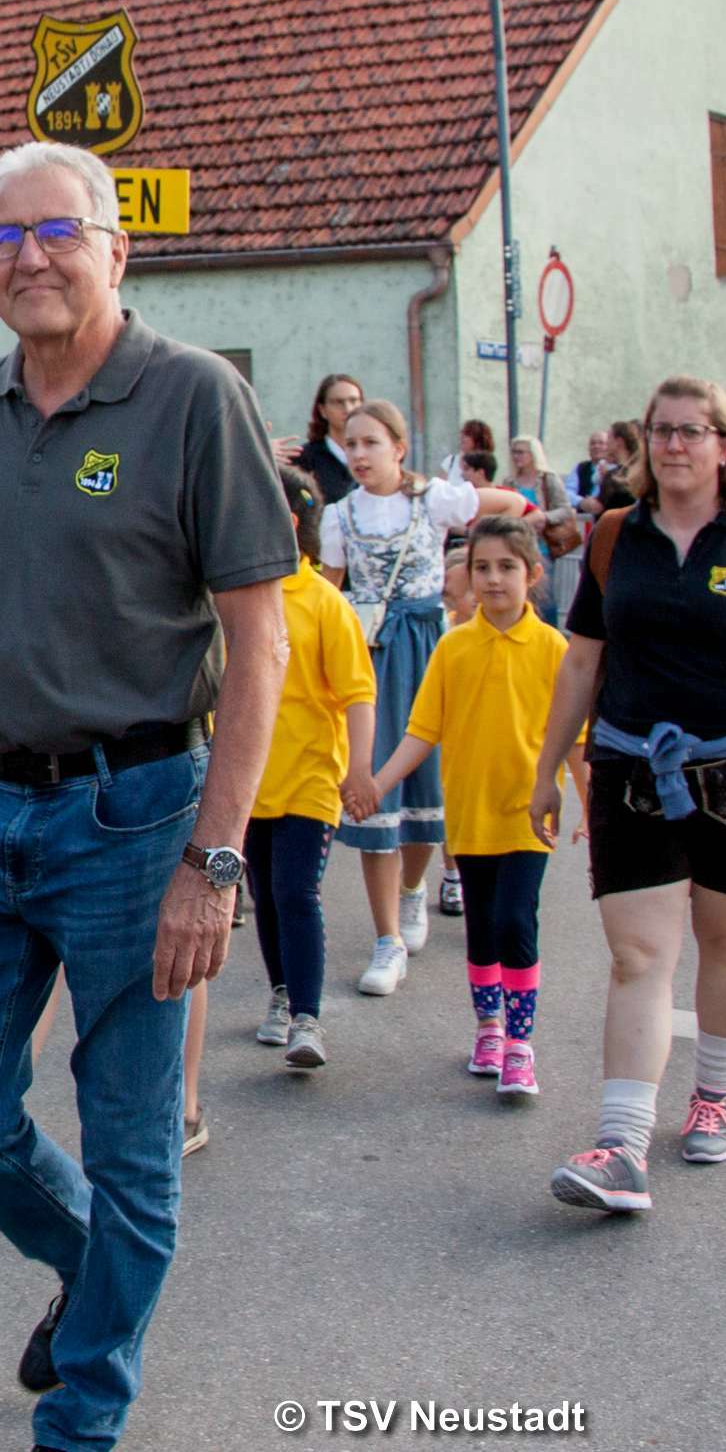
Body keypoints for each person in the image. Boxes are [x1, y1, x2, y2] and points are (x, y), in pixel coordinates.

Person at [0, 139, 293, 1452]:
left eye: (56, 231)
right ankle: (92, 1270)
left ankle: (82, 1413)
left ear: (116, 249)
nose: (30, 258)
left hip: (135, 818)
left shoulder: (192, 396)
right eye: (3, 237)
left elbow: (260, 644)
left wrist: (212, 863)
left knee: (131, 1146)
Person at [536, 377, 726, 1214]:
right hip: (629, 770)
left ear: (723, 446)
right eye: (660, 431)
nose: (672, 445)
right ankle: (623, 1146)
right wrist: (547, 768)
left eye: (691, 431)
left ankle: (713, 1097)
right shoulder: (613, 536)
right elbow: (581, 660)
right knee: (638, 957)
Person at [359, 517, 581, 1098]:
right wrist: (378, 784)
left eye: (507, 567)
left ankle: (520, 1045)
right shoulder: (453, 646)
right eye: (482, 567)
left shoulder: (553, 648)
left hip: (528, 816)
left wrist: (594, 809)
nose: (493, 579)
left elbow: (576, 739)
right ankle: (488, 1028)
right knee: (480, 925)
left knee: (515, 920)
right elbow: (421, 731)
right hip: (469, 815)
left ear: (533, 574)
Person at [322, 400, 519, 995]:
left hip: (431, 648)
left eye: (371, 443)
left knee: (428, 785)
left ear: (398, 448)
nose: (359, 455)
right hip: (371, 654)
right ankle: (388, 938)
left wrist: (468, 574)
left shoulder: (432, 499)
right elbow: (329, 594)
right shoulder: (340, 515)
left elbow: (511, 505)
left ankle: (412, 890)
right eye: (351, 444)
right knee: (373, 784)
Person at [247, 468, 376, 1070]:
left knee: (294, 890)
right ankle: (281, 993)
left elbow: (358, 693)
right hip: (250, 779)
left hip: (310, 778)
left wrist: (360, 770)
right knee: (263, 894)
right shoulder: (239, 596)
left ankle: (306, 1017)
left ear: (290, 522)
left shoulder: (325, 602)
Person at [507, 434, 577, 625]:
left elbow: (565, 509)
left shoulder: (548, 479)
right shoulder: (509, 482)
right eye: (514, 452)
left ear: (533, 454)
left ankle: (549, 633)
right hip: (517, 544)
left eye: (521, 452)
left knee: (545, 597)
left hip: (542, 545)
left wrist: (543, 518)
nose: (516, 456)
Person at [297, 373, 362, 505]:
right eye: (338, 402)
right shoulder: (305, 459)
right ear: (322, 410)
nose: (348, 409)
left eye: (353, 401)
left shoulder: (377, 454)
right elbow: (303, 504)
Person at [441, 417, 495, 482]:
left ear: (477, 441)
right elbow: (440, 485)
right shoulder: (450, 461)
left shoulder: (484, 465)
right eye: (462, 433)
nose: (462, 437)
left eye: (467, 434)